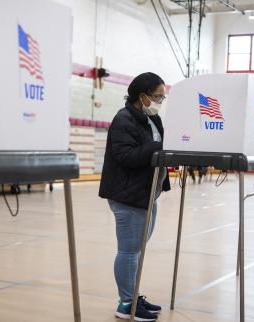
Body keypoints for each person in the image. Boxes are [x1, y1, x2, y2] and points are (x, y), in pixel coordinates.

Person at [99, 72, 170, 321]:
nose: (161, 101)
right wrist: (160, 146)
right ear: (142, 96)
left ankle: (133, 294)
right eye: (157, 97)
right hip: (128, 196)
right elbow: (126, 156)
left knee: (137, 250)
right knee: (129, 251)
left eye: (163, 97)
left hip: (147, 194)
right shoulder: (124, 119)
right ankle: (126, 304)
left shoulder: (153, 119)